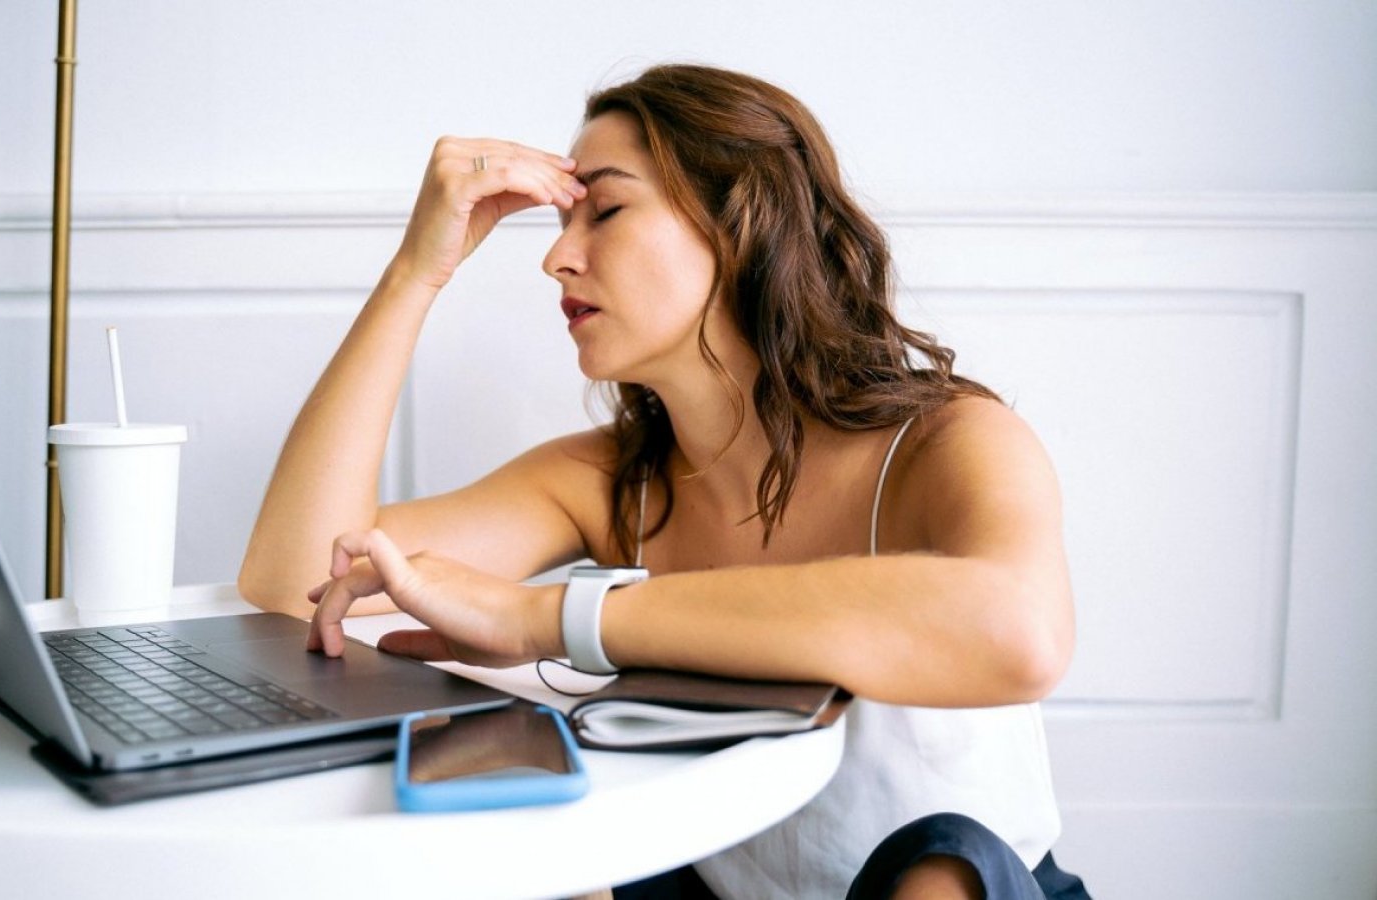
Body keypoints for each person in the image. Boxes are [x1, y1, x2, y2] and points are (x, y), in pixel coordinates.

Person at [239, 64, 1090, 900]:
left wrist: (543, 616)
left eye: (605, 211)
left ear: (742, 224)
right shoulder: (609, 479)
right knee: (539, 852)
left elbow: (1019, 634)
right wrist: (414, 273)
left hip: (971, 885)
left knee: (944, 862)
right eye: (562, 226)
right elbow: (296, 583)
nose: (558, 261)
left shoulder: (945, 440)